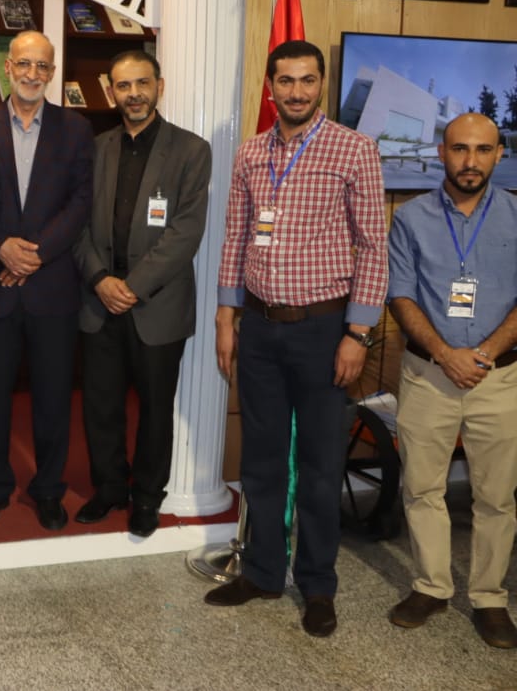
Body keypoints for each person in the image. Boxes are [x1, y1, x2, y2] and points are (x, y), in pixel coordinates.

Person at [207, 40, 387, 638]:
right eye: (285, 81)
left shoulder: (354, 149)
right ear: (270, 86)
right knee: (260, 460)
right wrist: (226, 317)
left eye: (307, 80)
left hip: (324, 331)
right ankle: (262, 573)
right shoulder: (251, 153)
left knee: (319, 465)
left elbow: (374, 248)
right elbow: (236, 237)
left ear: (322, 83)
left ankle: (317, 585)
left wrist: (358, 332)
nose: (297, 92)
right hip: (259, 328)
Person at [385, 113, 517, 649]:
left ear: (499, 154)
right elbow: (400, 294)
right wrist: (445, 354)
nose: (470, 161)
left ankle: (489, 598)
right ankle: (431, 587)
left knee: (497, 497)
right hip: (427, 375)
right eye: (460, 148)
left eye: (483, 150)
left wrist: (482, 354)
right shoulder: (410, 218)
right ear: (441, 152)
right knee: (421, 488)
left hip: (500, 379)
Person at [73, 50, 211, 538]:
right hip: (98, 302)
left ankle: (148, 497)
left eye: (142, 83)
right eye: (123, 85)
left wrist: (130, 287)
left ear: (160, 86)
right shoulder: (95, 149)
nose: (134, 94)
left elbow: (185, 232)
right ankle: (110, 487)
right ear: (110, 91)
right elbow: (76, 224)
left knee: (155, 409)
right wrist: (99, 279)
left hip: (157, 304)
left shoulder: (191, 151)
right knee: (101, 405)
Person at [0, 31, 92, 532]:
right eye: (24, 64)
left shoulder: (76, 128)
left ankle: (48, 490)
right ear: (7, 68)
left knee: (54, 398)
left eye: (42, 66)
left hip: (52, 286)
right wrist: (1, 246)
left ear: (53, 72)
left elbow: (80, 202)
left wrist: (35, 254)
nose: (32, 74)